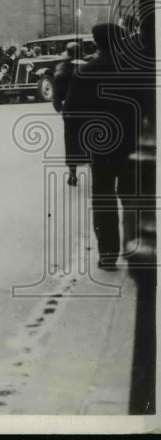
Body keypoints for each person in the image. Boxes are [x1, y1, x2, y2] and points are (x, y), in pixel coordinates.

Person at [64, 23, 140, 270]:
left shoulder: (85, 71)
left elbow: (71, 113)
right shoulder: (136, 69)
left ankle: (108, 255)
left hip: (102, 146)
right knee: (132, 196)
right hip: (133, 143)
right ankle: (134, 247)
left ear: (96, 43)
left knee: (104, 198)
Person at [52, 42, 83, 187]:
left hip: (69, 110)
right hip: (87, 109)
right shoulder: (86, 66)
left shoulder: (61, 69)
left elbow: (56, 94)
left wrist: (60, 108)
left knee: (70, 141)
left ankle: (73, 174)